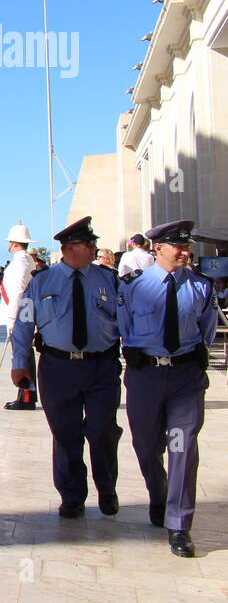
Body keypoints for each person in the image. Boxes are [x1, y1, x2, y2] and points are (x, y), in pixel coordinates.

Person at [117, 220, 218, 558]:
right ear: (158, 248)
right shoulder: (131, 287)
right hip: (145, 377)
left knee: (182, 447)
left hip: (185, 380)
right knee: (146, 447)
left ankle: (179, 523)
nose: (185, 251)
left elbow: (206, 330)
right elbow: (124, 327)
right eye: (178, 246)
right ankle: (159, 494)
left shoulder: (201, 287)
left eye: (187, 245)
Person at [10, 216, 121, 519]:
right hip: (58, 368)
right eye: (90, 244)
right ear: (71, 248)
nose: (95, 248)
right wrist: (20, 364)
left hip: (102, 367)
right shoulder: (41, 282)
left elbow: (127, 321)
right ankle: (72, 495)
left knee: (102, 431)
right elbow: (23, 324)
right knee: (65, 434)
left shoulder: (109, 280)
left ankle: (107, 489)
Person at [0, 223, 36, 417]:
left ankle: (27, 397)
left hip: (19, 313)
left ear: (13, 243)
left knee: (22, 357)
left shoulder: (21, 262)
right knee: (23, 355)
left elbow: (17, 292)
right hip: (21, 312)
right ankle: (25, 394)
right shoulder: (24, 260)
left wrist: (12, 318)